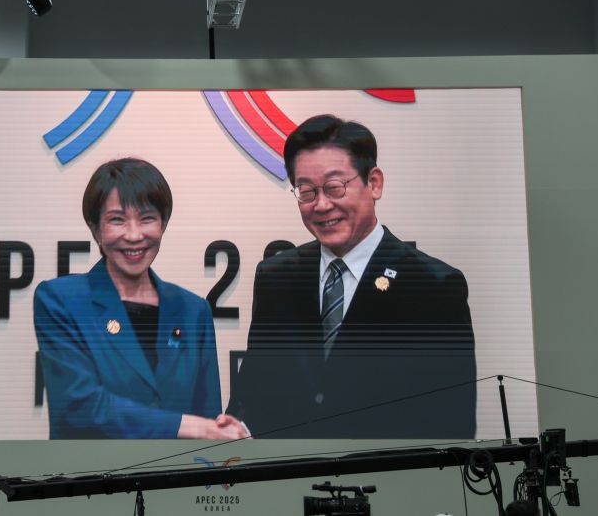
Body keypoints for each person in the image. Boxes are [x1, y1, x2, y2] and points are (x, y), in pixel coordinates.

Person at [227, 115, 476, 438]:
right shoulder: (277, 277)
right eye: (306, 191)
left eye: (334, 187)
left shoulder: (433, 286)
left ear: (374, 183)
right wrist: (234, 427)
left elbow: (451, 422)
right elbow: (252, 392)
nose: (321, 205)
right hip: (288, 468)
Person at [35, 158, 247, 439]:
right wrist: (190, 426)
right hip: (93, 468)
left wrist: (222, 440)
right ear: (96, 229)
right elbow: (80, 407)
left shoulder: (193, 311)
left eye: (147, 218)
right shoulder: (61, 300)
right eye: (117, 220)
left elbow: (208, 420)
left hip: (176, 470)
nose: (134, 235)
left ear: (163, 224)